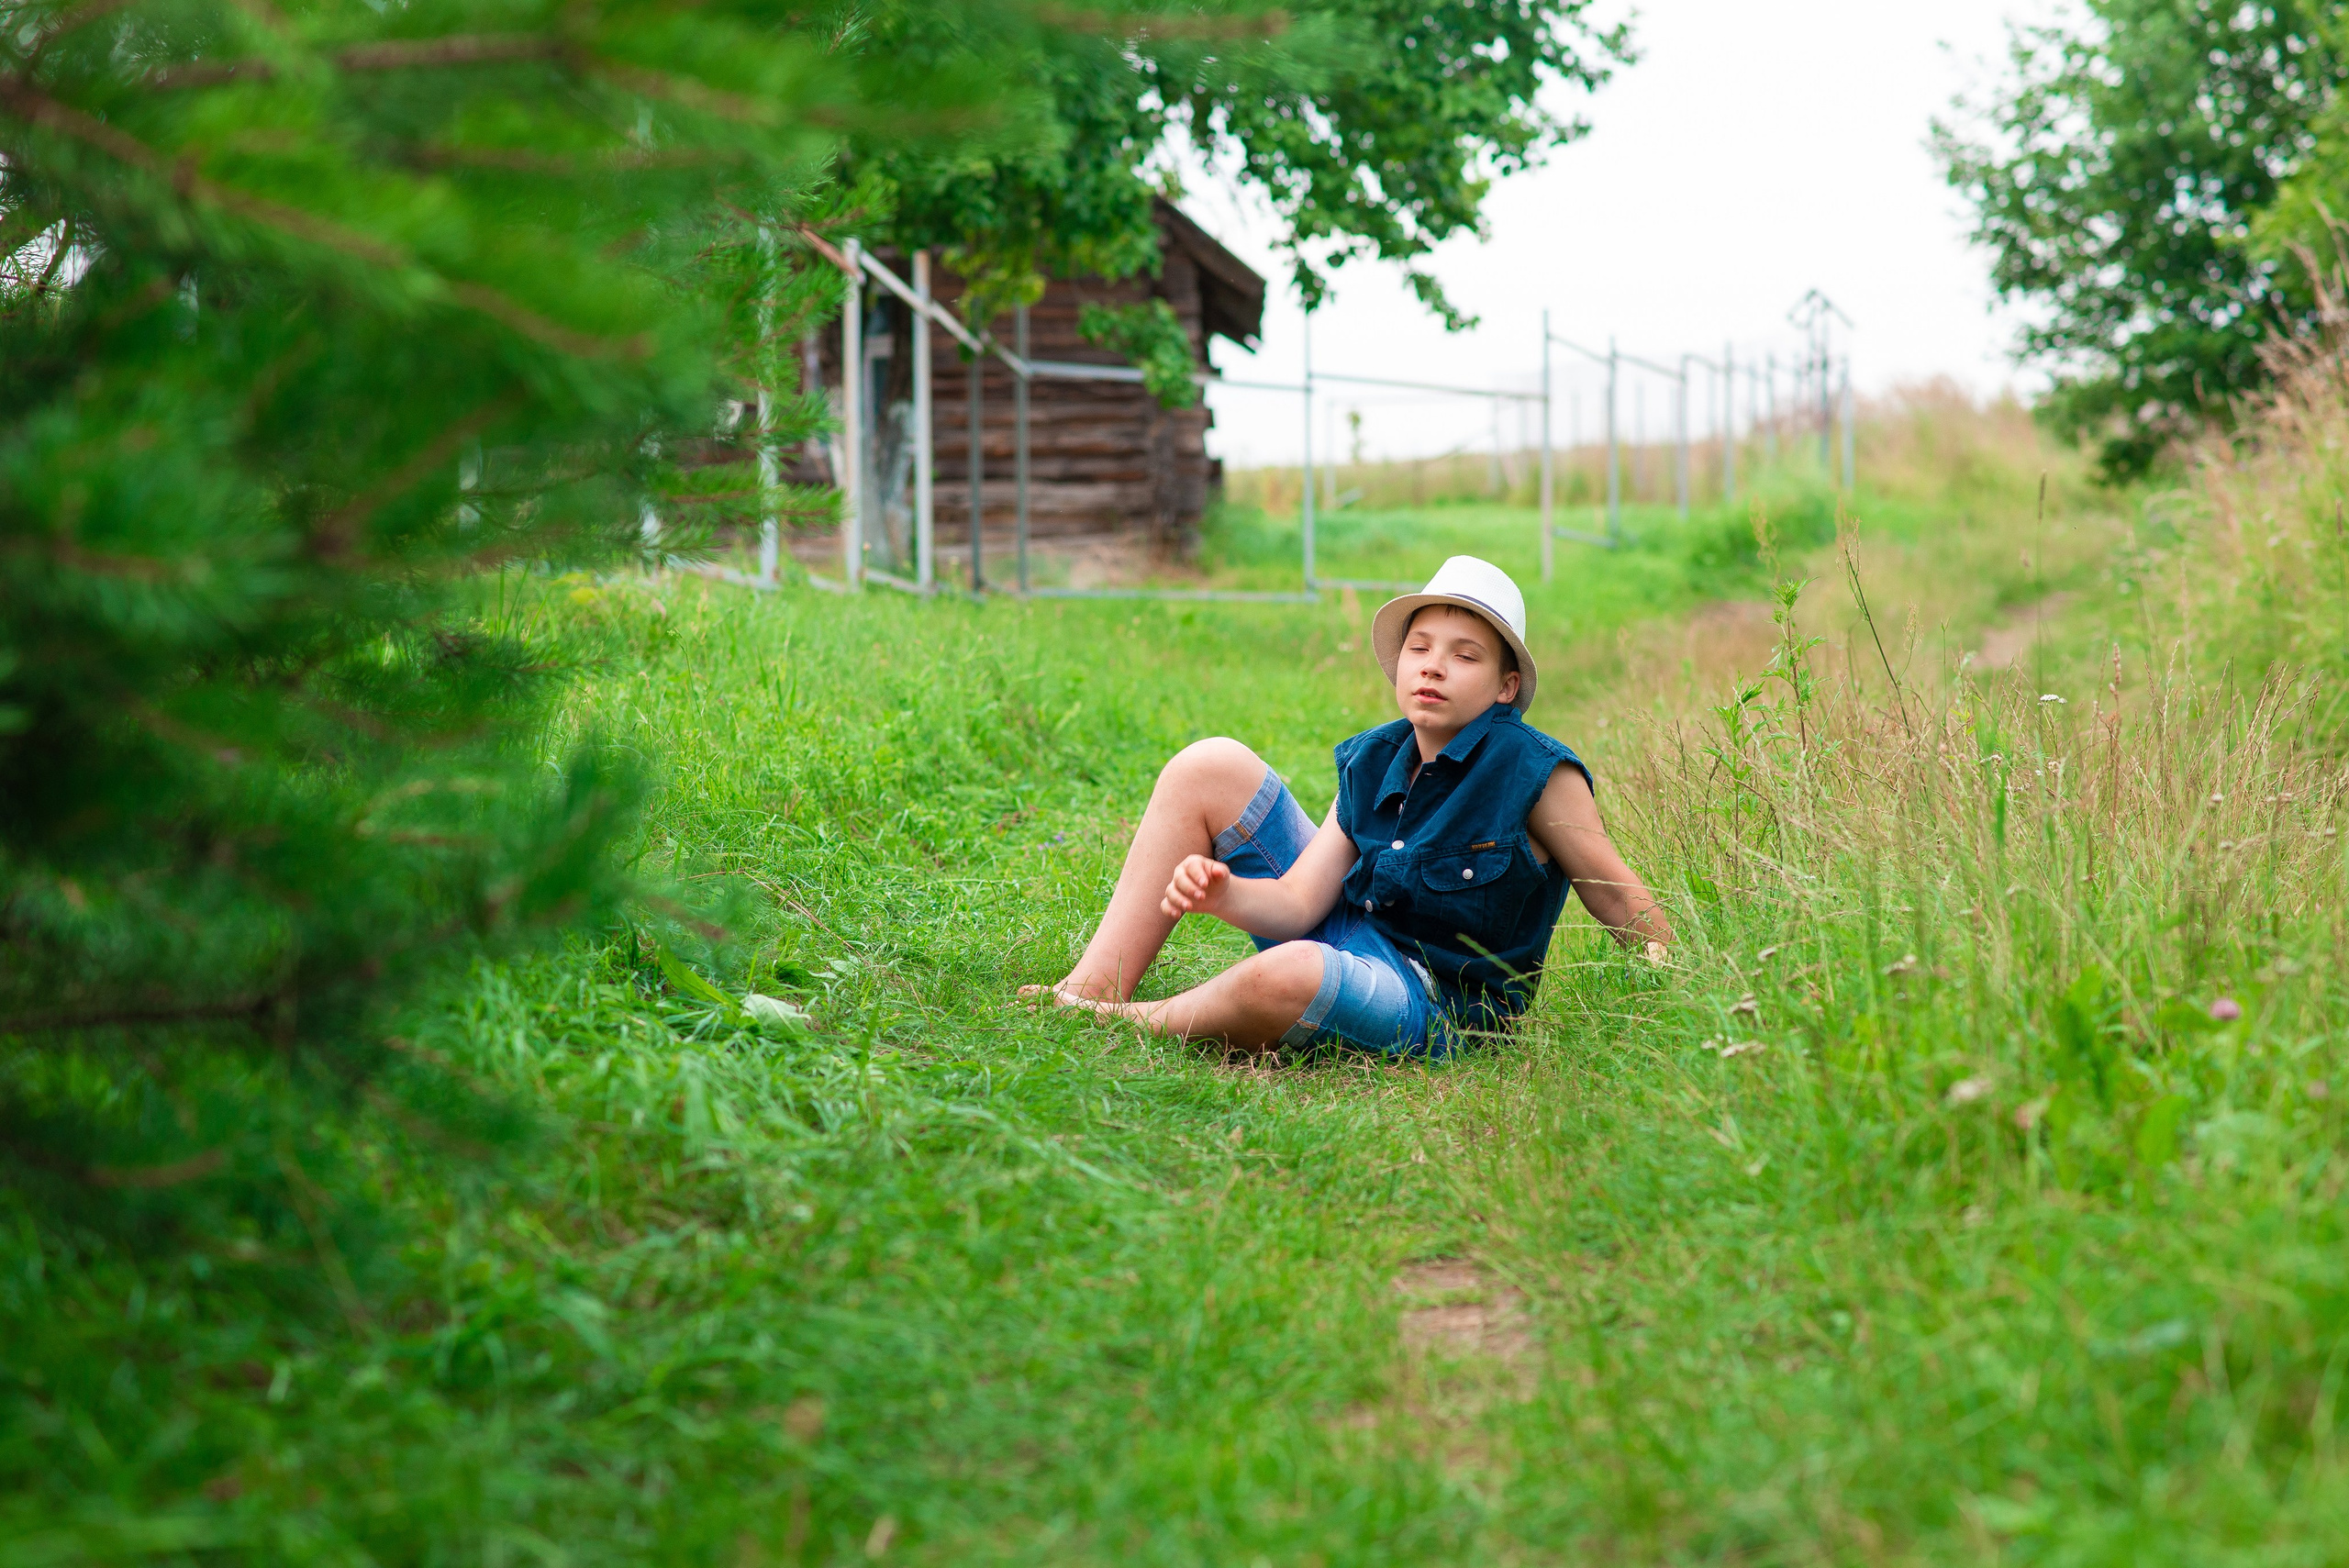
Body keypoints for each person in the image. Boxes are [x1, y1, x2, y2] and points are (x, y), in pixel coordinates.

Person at [1028, 556, 1670, 1055]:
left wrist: (1684, 987)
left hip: (1430, 1002)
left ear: (1507, 686)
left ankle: (1126, 1022)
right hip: (1345, 935)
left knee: (1293, 972)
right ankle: (1089, 990)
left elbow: (1614, 894)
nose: (1434, 666)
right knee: (1209, 764)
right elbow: (1297, 906)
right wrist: (1222, 896)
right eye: (1420, 647)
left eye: (1464, 655)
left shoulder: (1535, 771)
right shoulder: (1375, 760)